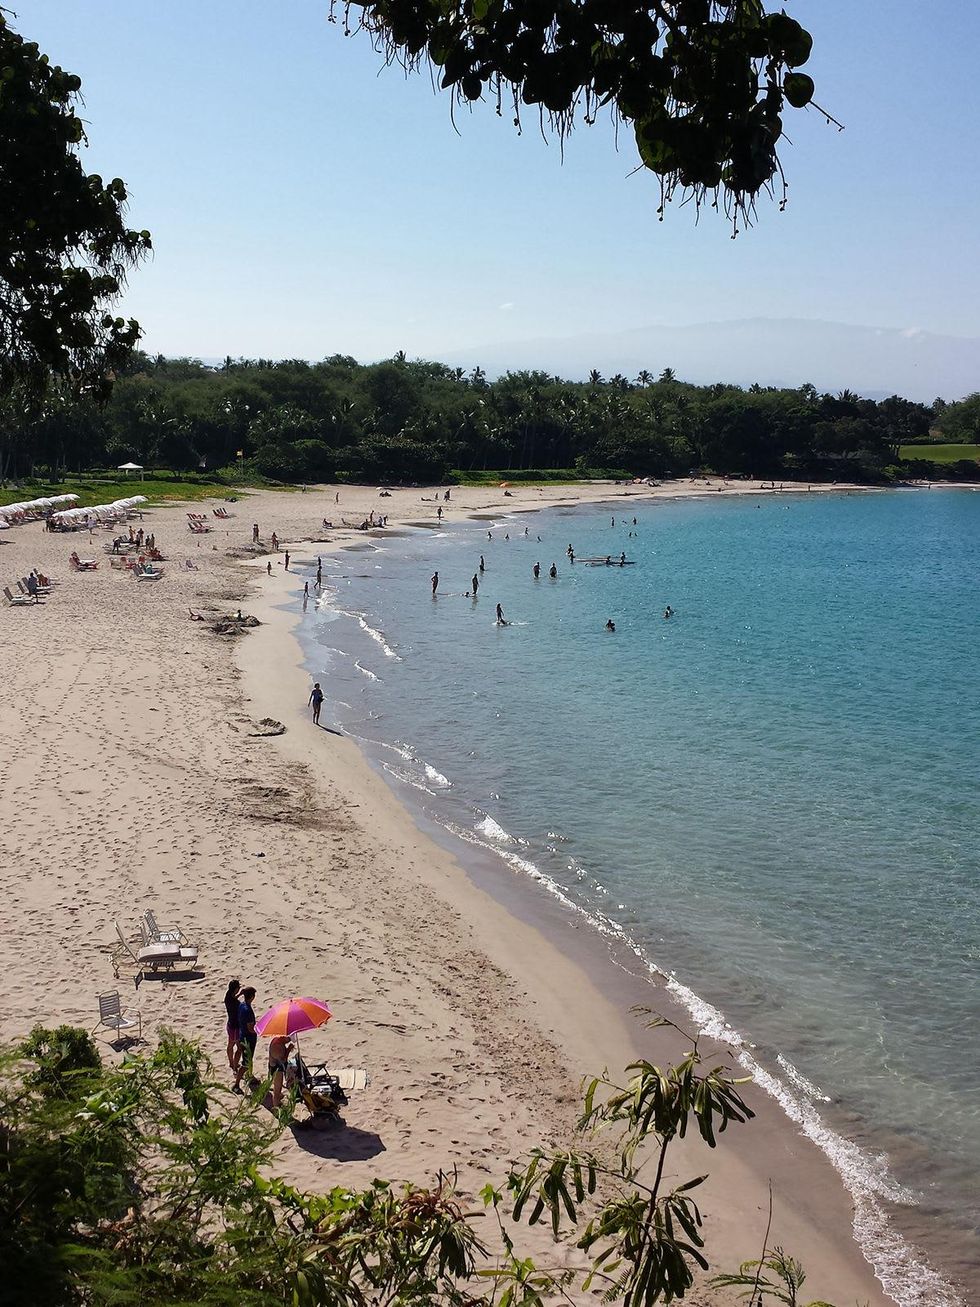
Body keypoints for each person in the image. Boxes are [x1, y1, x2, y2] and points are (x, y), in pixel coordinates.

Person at [234, 987, 257, 1091]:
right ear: (252, 997)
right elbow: (250, 1028)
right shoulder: (247, 1010)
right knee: (245, 1063)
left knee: (248, 1060)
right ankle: (236, 1084)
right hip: (248, 1039)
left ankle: (249, 1076)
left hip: (243, 1035)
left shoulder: (242, 1005)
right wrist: (259, 1030)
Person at [269, 1034, 294, 1108]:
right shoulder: (276, 1046)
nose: (289, 1041)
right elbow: (283, 1060)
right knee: (277, 1088)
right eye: (288, 1039)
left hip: (278, 1067)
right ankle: (276, 1106)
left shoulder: (280, 1042)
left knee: (278, 1086)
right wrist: (288, 1050)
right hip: (276, 1069)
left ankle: (278, 1097)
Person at [224, 979, 242, 1074]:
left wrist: (239, 995)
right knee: (239, 1048)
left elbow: (233, 998)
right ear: (235, 989)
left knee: (230, 1045)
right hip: (235, 1027)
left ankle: (231, 1063)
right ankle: (235, 1066)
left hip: (230, 1024)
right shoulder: (235, 1003)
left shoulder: (227, 997)